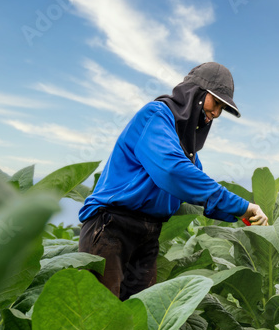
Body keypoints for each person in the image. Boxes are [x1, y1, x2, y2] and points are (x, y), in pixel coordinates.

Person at [77, 62, 268, 300]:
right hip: (111, 226)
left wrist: (241, 213)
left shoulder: (186, 149)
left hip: (148, 233)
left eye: (222, 108)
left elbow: (198, 189)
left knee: (140, 320)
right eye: (216, 103)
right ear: (195, 94)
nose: (217, 113)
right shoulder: (155, 116)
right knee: (99, 318)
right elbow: (174, 173)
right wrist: (243, 206)